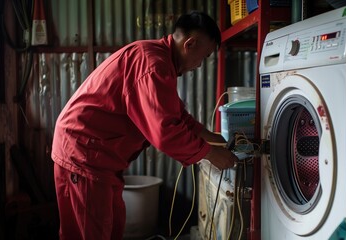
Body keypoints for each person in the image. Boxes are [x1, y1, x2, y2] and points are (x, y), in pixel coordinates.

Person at [51, 11, 238, 240]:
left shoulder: (160, 61)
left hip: (99, 155)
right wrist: (209, 153)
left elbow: (178, 116)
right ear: (190, 44)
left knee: (110, 227)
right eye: (204, 56)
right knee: (91, 232)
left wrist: (216, 138)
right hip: (83, 152)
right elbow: (164, 131)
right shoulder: (154, 64)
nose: (200, 65)